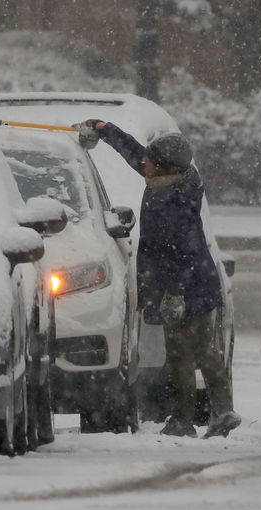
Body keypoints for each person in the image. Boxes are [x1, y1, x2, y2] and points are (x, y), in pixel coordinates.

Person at [75, 119, 241, 438]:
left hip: (183, 284)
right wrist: (105, 128)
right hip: (201, 281)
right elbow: (135, 153)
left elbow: (181, 251)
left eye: (150, 161)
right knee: (206, 349)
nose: (144, 163)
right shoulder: (178, 178)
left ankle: (182, 420)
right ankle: (222, 410)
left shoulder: (172, 203)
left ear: (162, 167)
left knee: (180, 354)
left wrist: (174, 293)